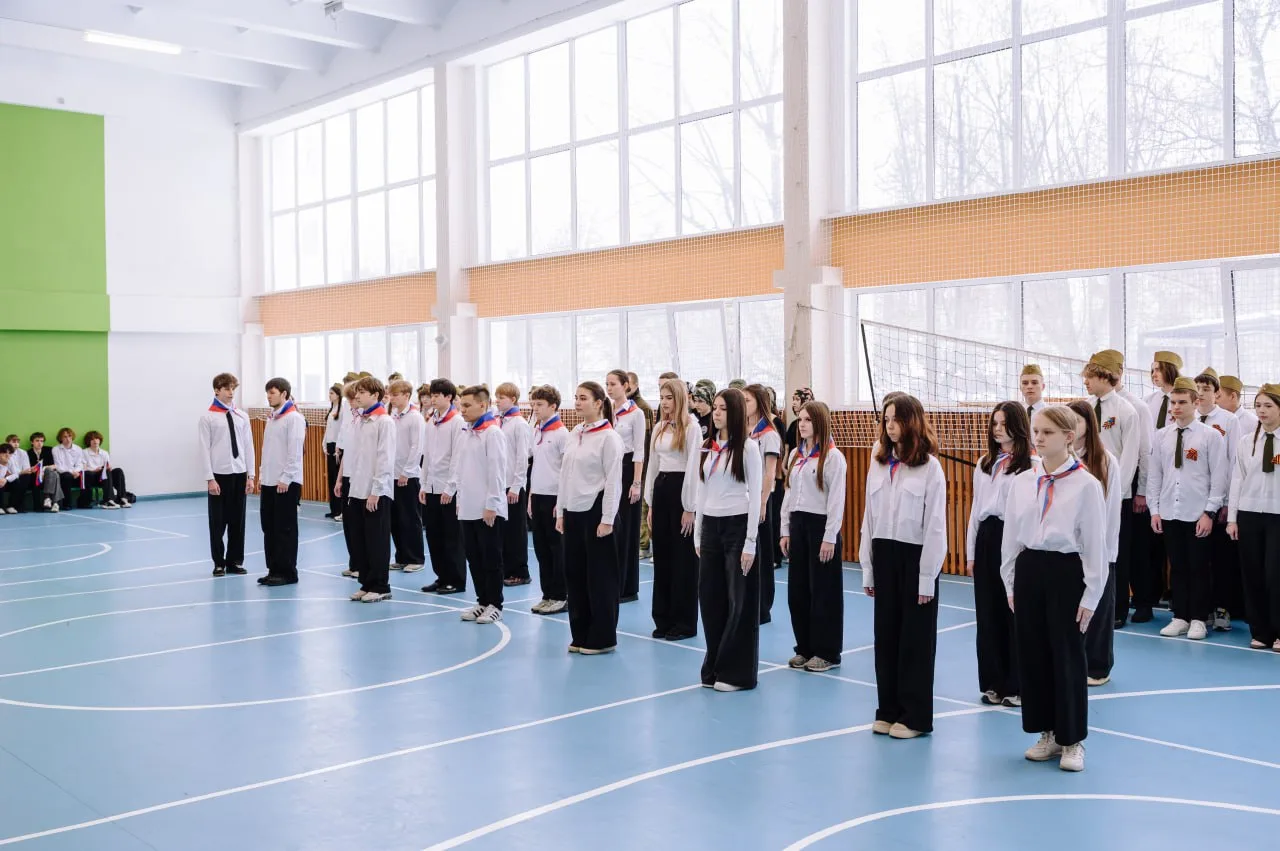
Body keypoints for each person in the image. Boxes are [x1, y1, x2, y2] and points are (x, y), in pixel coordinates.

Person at [1001, 405, 1107, 772]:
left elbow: (1095, 545)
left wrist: (1092, 595)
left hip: (1065, 571)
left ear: (1069, 436)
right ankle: (1046, 732)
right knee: (1033, 654)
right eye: (1037, 431)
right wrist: (1010, 582)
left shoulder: (1086, 485)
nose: (1039, 438)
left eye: (1047, 432)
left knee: (1067, 655)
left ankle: (1072, 739)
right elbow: (1011, 536)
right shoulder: (1022, 482)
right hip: (1030, 568)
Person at [860, 394, 947, 738]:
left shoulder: (930, 467)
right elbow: (869, 516)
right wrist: (868, 568)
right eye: (886, 419)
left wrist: (927, 576)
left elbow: (936, 524)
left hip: (915, 557)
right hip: (884, 553)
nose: (890, 426)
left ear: (911, 422)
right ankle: (888, 709)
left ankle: (915, 716)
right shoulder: (878, 461)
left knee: (915, 641)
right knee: (886, 637)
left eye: (896, 419)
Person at [1146, 378, 1228, 641]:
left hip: (1197, 513)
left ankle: (1199, 619)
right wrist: (1154, 509)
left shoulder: (1210, 436)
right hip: (1171, 511)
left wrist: (1210, 512)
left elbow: (1219, 477)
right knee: (1178, 567)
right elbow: (1155, 475)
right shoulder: (1162, 436)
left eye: (1182, 402)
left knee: (1199, 568)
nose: (1176, 407)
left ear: (1196, 402)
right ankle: (1180, 616)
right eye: (1173, 402)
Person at [695, 388, 763, 691]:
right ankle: (714, 663)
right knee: (711, 599)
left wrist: (750, 542)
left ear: (734, 412)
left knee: (739, 601)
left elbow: (756, 496)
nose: (717, 413)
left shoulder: (748, 448)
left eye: (723, 408)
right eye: (715, 408)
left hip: (737, 526)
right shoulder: (707, 447)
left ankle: (737, 673)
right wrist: (699, 532)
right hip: (711, 526)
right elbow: (702, 490)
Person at [965, 401, 1032, 706]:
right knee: (988, 612)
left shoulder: (1031, 465)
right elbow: (976, 510)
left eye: (1004, 423)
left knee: (1014, 612)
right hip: (988, 537)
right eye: (994, 423)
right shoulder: (984, 464)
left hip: (1015, 538)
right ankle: (993, 681)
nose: (998, 429)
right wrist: (971, 553)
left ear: (1017, 425)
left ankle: (1018, 684)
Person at [780, 400, 847, 673]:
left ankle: (827, 651)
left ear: (819, 422)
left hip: (820, 526)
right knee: (798, 592)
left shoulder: (833, 457)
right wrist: (785, 530)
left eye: (808, 419)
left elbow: (836, 500)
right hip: (798, 525)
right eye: (801, 419)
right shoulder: (796, 455)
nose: (802, 424)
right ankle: (804, 647)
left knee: (824, 593)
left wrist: (830, 536)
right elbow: (788, 494)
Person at [557, 382, 625, 654]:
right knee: (575, 576)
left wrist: (607, 518)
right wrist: (561, 510)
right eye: (575, 397)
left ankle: (603, 637)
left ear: (599, 403)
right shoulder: (575, 433)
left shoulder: (610, 438)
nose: (577, 402)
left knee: (600, 578)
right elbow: (565, 474)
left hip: (596, 512)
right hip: (572, 511)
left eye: (583, 398)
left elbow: (613, 481)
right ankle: (581, 633)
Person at [1082, 351, 1141, 624]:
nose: (1086, 382)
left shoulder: (1126, 411)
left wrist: (1116, 493)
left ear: (1105, 376)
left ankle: (1117, 610)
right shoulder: (1085, 408)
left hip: (1115, 494)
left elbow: (1129, 457)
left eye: (1090, 376)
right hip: (1087, 491)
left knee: (1115, 552)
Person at [1065, 400, 1121, 686]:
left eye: (1077, 421)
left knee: (1099, 608)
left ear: (1089, 425)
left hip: (1099, 548)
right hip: (1068, 548)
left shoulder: (1105, 460)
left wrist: (1105, 551)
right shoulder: (1061, 459)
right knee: (1074, 609)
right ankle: (1072, 662)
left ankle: (1098, 667)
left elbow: (1111, 509)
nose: (1072, 426)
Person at [644, 378, 701, 640]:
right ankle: (663, 617)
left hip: (681, 490)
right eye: (662, 398)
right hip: (662, 488)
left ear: (680, 399)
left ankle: (684, 621)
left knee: (683, 559)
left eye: (669, 398)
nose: (665, 403)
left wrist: (689, 506)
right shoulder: (659, 427)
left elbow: (693, 468)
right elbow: (653, 465)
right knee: (663, 556)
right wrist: (651, 503)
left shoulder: (692, 428)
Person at [1226, 383, 1280, 652]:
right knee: (1253, 574)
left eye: (1268, 406)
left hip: (1277, 516)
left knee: (1275, 575)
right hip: (1250, 514)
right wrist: (1232, 518)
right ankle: (1260, 631)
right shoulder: (1247, 442)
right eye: (1258, 405)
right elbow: (1238, 479)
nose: (1261, 411)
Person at [454, 384, 508, 624]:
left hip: (487, 508)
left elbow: (497, 471)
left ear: (483, 405)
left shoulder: (492, 433)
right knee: (474, 557)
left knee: (490, 558)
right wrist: (459, 499)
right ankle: (482, 600)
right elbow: (461, 469)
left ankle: (495, 604)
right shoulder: (466, 432)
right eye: (461, 405)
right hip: (468, 506)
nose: (462, 410)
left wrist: (492, 504)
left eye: (467, 405)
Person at [339, 376, 396, 602]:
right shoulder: (361, 420)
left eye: (362, 392)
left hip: (376, 492)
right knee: (360, 539)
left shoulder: (384, 422)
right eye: (357, 392)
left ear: (375, 395)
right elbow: (356, 457)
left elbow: (385, 459)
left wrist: (376, 490)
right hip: (357, 488)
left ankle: (381, 585)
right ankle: (366, 582)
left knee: (376, 540)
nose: (358, 396)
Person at [199, 373, 254, 576]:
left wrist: (251, 475)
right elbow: (204, 449)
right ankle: (219, 563)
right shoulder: (208, 417)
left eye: (233, 388)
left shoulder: (242, 416)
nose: (231, 392)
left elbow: (248, 446)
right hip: (219, 475)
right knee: (218, 522)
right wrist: (210, 478)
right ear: (217, 390)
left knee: (237, 521)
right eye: (227, 388)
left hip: (239, 473)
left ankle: (235, 561)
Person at [419, 379, 467, 595]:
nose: (433, 399)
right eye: (432, 395)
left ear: (449, 397)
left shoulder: (457, 422)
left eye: (437, 395)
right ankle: (442, 576)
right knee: (434, 535)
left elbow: (458, 457)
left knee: (451, 536)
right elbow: (427, 455)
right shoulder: (431, 421)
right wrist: (423, 484)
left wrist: (451, 487)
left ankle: (456, 579)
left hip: (448, 489)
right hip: (431, 486)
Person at [257, 377, 306, 587]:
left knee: (284, 528)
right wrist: (262, 475)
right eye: (267, 393)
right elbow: (267, 450)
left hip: (286, 482)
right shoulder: (273, 418)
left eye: (272, 393)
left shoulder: (293, 418)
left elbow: (295, 451)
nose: (268, 397)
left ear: (284, 394)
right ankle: (273, 569)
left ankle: (287, 572)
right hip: (270, 481)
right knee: (269, 527)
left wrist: (286, 477)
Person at [1215, 374, 1255, 626]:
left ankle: (1242, 605)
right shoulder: (1215, 420)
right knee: (1223, 557)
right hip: (1223, 499)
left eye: (1219, 395)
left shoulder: (1250, 422)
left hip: (1244, 499)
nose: (1215, 399)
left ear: (1233, 396)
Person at [528, 385, 569, 614]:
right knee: (541, 549)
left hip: (554, 498)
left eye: (540, 404)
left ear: (553, 406)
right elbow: (536, 466)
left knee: (557, 550)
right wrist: (531, 496)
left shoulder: (561, 433)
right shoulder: (537, 430)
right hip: (538, 495)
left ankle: (561, 596)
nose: (535, 408)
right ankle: (547, 594)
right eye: (533, 404)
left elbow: (566, 471)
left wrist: (561, 502)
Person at [743, 384, 782, 624]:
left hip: (760, 499)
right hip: (742, 498)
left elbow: (770, 473)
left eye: (747, 400)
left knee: (762, 553)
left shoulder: (768, 434)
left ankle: (763, 607)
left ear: (759, 402)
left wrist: (763, 502)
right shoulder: (742, 431)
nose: (743, 404)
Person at [607, 369, 646, 603]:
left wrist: (636, 482)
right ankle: (612, 582)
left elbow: (639, 450)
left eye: (613, 384)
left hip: (628, 468)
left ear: (625, 386)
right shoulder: (607, 411)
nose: (609, 388)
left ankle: (627, 587)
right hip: (610, 468)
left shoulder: (636, 414)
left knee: (627, 528)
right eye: (607, 384)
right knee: (611, 526)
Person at [385, 380, 426, 573]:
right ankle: (401, 557)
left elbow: (417, 447)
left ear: (406, 395)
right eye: (390, 395)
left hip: (407, 476)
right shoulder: (392, 416)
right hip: (391, 474)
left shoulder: (415, 417)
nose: (392, 398)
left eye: (395, 395)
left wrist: (407, 472)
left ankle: (415, 558)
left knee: (409, 518)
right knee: (395, 519)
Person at [495, 383, 533, 587]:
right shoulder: (499, 421)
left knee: (515, 532)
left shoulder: (519, 424)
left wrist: (517, 486)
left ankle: (520, 572)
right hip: (500, 483)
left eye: (502, 397)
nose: (498, 401)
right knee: (503, 531)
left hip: (513, 485)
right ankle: (506, 568)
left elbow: (522, 457)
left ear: (513, 399)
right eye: (497, 397)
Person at [628, 371, 655, 560]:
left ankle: (643, 544)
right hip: (629, 465)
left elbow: (645, 440)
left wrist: (643, 467)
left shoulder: (642, 407)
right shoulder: (619, 407)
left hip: (642, 466)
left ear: (636, 385)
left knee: (643, 507)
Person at [337, 381, 362, 577]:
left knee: (359, 524)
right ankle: (354, 562)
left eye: (352, 399)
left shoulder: (365, 421)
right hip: (347, 476)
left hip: (359, 478)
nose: (350, 403)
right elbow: (346, 452)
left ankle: (362, 564)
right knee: (349, 523)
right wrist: (339, 479)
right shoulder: (350, 420)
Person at [82, 431, 129, 509]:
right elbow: (83, 468)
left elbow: (107, 466)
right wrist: (94, 470)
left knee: (118, 471)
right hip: (92, 477)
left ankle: (122, 498)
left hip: (105, 477)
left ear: (100, 440)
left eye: (97, 439)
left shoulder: (104, 453)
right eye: (92, 439)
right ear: (88, 441)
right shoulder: (84, 452)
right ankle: (108, 500)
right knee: (105, 472)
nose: (95, 441)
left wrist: (108, 468)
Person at [1146, 351, 1183, 431]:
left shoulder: (1184, 401)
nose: (1153, 374)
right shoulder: (1147, 401)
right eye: (1153, 370)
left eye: (1158, 370)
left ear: (1170, 370)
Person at [52, 428, 87, 511]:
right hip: (63, 474)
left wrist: (76, 472)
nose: (68, 439)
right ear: (60, 438)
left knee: (88, 475)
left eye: (69, 436)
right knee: (66, 476)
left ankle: (84, 502)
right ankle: (67, 504)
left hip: (76, 474)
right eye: (65, 437)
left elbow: (80, 464)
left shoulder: (78, 449)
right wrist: (72, 472)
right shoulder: (56, 449)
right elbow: (58, 466)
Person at [323, 384, 344, 520]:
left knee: (338, 478)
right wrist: (324, 444)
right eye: (329, 393)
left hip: (338, 446)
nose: (329, 396)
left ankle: (340, 510)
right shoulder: (332, 410)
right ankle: (334, 509)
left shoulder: (342, 410)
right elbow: (328, 429)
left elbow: (342, 430)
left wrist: (340, 446)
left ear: (338, 395)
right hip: (330, 445)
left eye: (332, 393)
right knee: (331, 477)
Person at [0, 443, 24, 514]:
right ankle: (0, 507)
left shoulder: (11, 460)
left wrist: (6, 479)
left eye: (9, 453)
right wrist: (3, 465)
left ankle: (10, 506)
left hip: (3, 481)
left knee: (16, 482)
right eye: (4, 453)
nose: (7, 455)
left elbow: (16, 474)